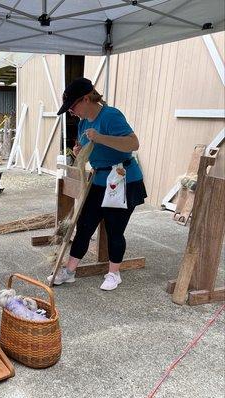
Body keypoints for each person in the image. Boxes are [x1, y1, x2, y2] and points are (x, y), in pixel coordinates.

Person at [48, 77, 147, 290]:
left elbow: (133, 143)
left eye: (73, 106)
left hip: (123, 180)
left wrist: (100, 138)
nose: (71, 112)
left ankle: (114, 274)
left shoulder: (111, 115)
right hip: (99, 179)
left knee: (114, 230)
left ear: (86, 99)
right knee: (84, 226)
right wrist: (79, 151)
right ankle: (70, 271)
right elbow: (86, 145)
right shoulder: (84, 122)